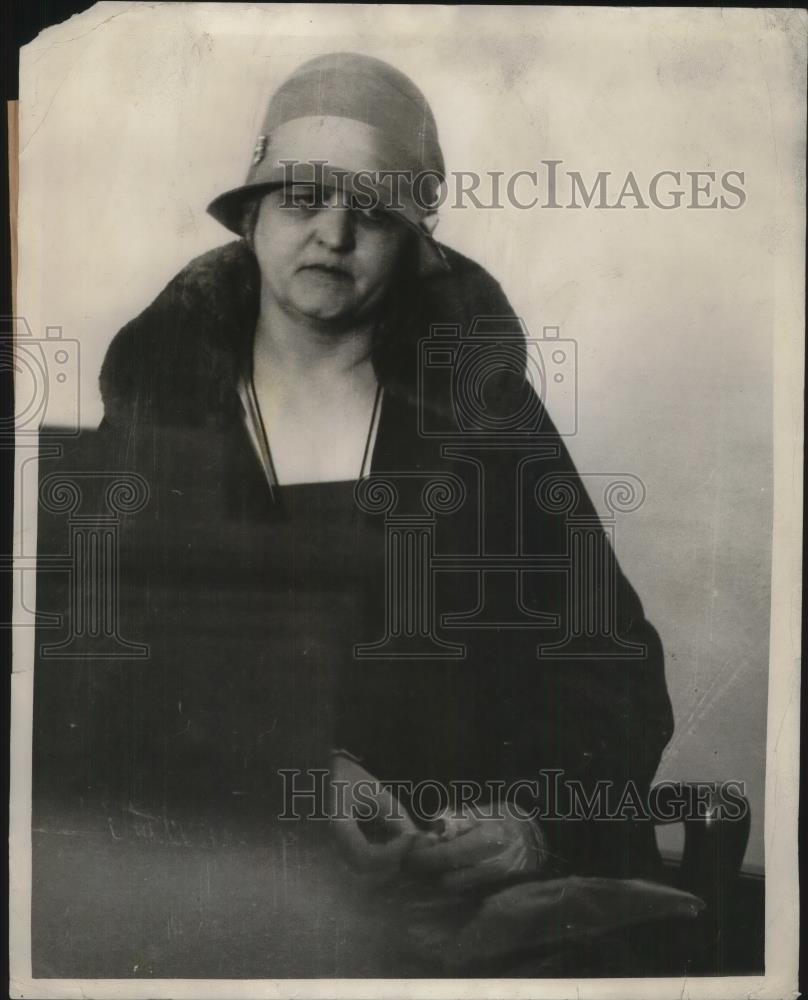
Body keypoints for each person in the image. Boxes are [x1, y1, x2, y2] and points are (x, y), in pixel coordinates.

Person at [94, 52, 677, 969]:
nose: (332, 234)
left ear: (415, 242)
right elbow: (98, 675)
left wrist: (528, 817)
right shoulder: (157, 408)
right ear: (250, 217)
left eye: (371, 212)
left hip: (460, 891)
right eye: (301, 200)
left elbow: (611, 663)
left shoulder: (486, 415)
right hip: (233, 885)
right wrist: (283, 772)